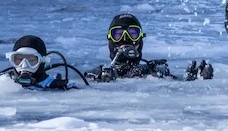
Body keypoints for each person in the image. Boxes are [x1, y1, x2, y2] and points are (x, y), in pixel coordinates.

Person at [85, 13, 214, 82]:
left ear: (140, 39)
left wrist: (194, 79)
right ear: (110, 39)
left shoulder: (154, 72)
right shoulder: (96, 75)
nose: (125, 39)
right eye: (118, 34)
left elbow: (178, 85)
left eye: (132, 34)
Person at [0, 35, 79, 90]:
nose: (24, 65)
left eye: (31, 60)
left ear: (42, 61)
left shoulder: (56, 85)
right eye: (19, 59)